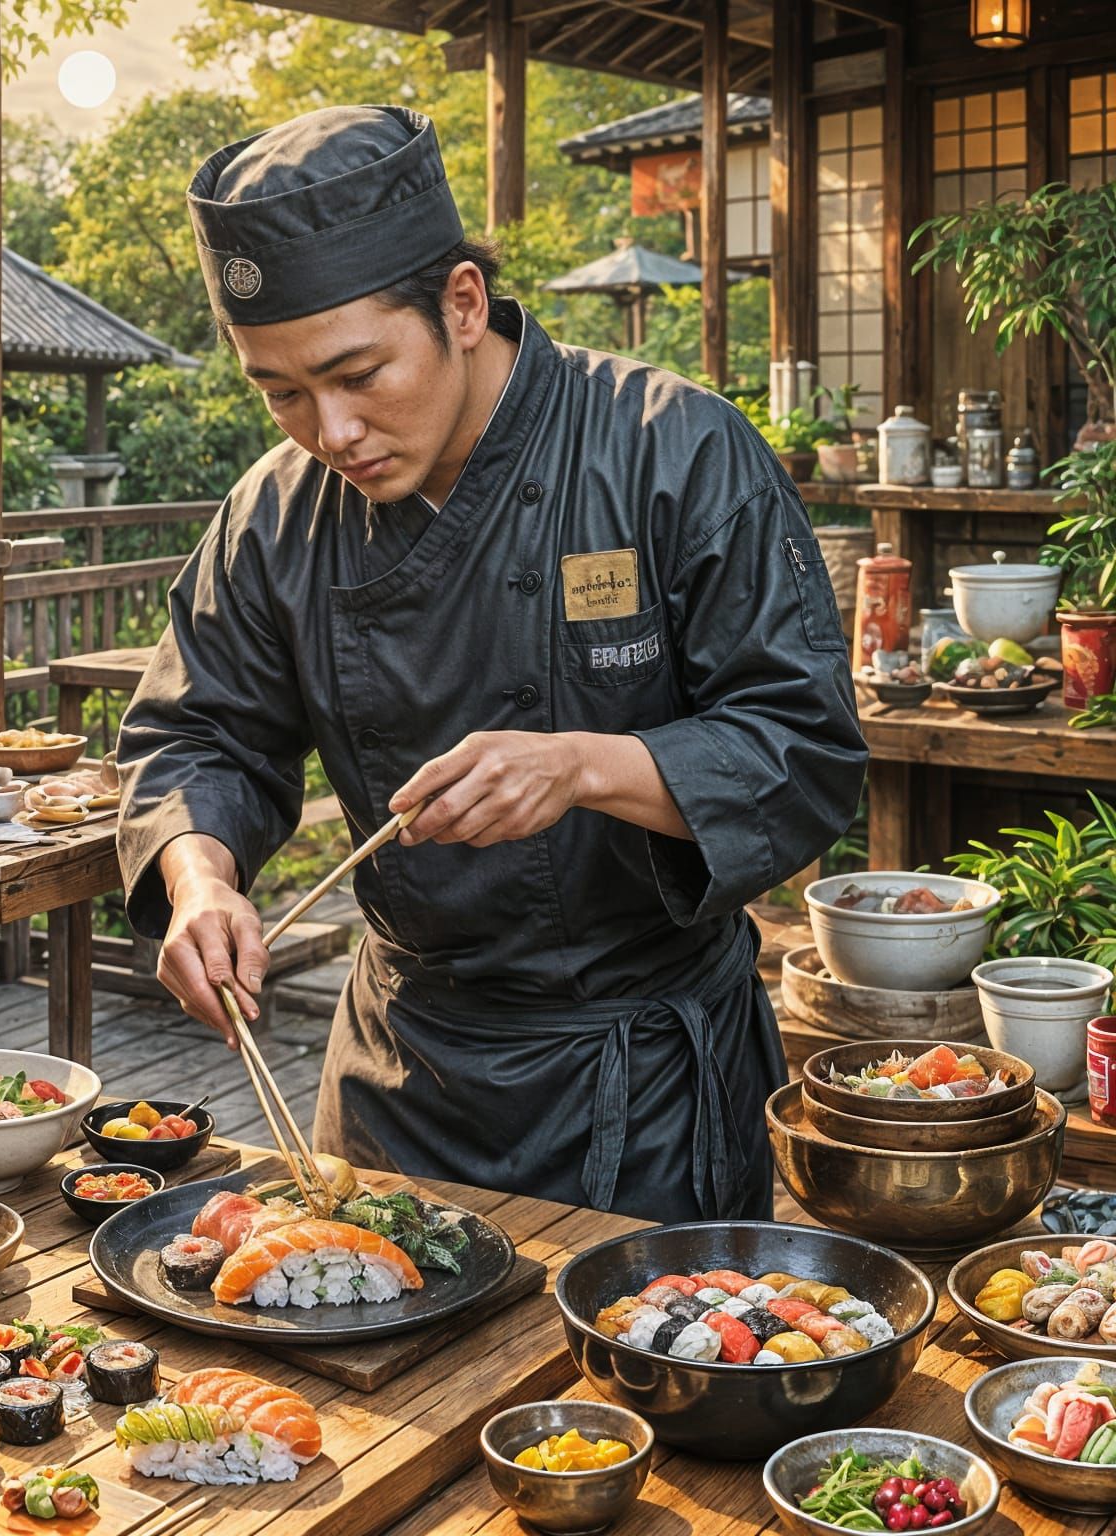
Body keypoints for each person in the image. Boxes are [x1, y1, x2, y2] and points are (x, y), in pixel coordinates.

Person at [115, 104, 867, 1221]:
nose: (331, 431)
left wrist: (584, 766)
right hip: (401, 1079)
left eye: (359, 374)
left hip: (645, 1087)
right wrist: (199, 880)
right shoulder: (276, 513)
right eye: (281, 393)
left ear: (462, 303)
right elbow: (197, 730)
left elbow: (803, 748)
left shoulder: (674, 451)